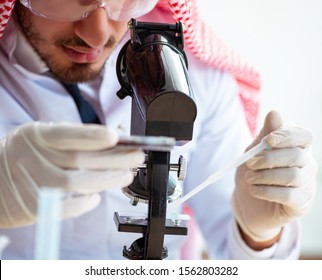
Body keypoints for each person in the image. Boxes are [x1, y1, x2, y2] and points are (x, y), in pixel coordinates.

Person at [0, 0, 317, 260]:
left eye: (121, 2)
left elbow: (238, 261)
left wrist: (258, 235)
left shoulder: (196, 74)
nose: (96, 35)